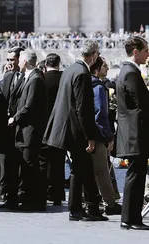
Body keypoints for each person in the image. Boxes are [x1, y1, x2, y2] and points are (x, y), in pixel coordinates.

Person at [43, 39, 107, 222]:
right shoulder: (82, 73)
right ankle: (82, 209)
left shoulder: (70, 70)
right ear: (94, 55)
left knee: (81, 169)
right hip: (75, 130)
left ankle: (82, 208)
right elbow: (83, 108)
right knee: (82, 168)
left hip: (66, 128)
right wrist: (90, 137)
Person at [115, 36, 149, 230]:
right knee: (135, 175)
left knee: (135, 174)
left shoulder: (128, 72)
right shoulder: (131, 73)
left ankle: (130, 217)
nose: (148, 54)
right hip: (136, 133)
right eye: (146, 50)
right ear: (135, 52)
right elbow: (142, 105)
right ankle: (131, 218)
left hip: (133, 132)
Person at [8, 51, 47, 210]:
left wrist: (15, 118)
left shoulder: (35, 79)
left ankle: (34, 200)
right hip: (25, 130)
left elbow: (29, 106)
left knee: (30, 165)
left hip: (31, 130)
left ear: (24, 61)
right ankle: (28, 198)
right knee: (27, 165)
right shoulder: (30, 77)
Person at [89, 57, 122, 216]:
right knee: (103, 171)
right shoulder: (98, 86)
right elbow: (100, 113)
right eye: (104, 66)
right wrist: (109, 136)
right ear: (97, 68)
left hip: (87, 133)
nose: (107, 69)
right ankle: (109, 202)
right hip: (99, 134)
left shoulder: (85, 83)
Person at [0, 47, 25, 208]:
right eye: (8, 60)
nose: (9, 63)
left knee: (18, 163)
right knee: (6, 162)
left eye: (12, 60)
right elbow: (0, 105)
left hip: (20, 128)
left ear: (20, 60)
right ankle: (7, 193)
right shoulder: (6, 78)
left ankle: (17, 194)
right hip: (6, 128)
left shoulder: (27, 78)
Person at [41, 53, 65, 206]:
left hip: (44, 124)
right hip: (60, 124)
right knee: (59, 161)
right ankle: (57, 193)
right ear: (59, 63)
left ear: (45, 65)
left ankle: (45, 191)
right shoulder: (64, 80)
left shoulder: (41, 80)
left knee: (44, 160)